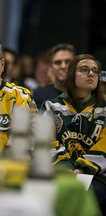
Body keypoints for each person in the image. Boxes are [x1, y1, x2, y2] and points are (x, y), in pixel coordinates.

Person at [41, 54, 106, 215]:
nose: (91, 74)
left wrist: (81, 170)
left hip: (97, 175)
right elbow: (46, 142)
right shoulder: (51, 107)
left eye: (95, 71)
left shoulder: (104, 110)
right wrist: (66, 169)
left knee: (87, 193)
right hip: (59, 170)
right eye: (84, 69)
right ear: (71, 75)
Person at [33, 43, 75, 109]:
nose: (63, 66)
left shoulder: (85, 94)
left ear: (76, 64)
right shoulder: (39, 95)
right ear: (51, 66)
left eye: (68, 61)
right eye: (58, 62)